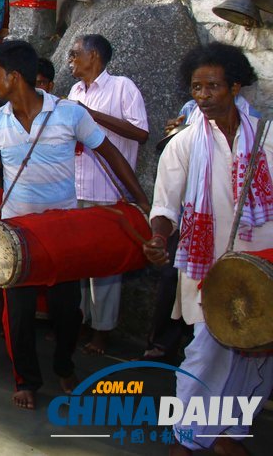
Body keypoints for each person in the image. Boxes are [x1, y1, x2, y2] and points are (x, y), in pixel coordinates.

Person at [0, 40, 150, 411]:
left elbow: (110, 155)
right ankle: (26, 380)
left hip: (62, 233)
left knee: (67, 311)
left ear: (14, 77)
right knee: (19, 315)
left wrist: (141, 202)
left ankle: (64, 366)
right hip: (16, 235)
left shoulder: (69, 114)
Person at [146, 42, 273, 453]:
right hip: (208, 271)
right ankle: (184, 437)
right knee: (203, 354)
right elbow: (165, 204)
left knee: (257, 355)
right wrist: (159, 237)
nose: (202, 97)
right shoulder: (183, 144)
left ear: (235, 87)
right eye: (196, 88)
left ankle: (227, 433)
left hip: (262, 269)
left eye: (212, 87)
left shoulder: (268, 139)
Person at [67, 35, 149, 356]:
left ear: (95, 56)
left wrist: (90, 115)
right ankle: (83, 322)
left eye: (76, 54)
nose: (71, 59)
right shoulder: (75, 90)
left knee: (105, 267)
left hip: (109, 191)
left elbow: (141, 133)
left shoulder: (122, 87)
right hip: (77, 187)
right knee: (80, 262)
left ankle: (103, 331)